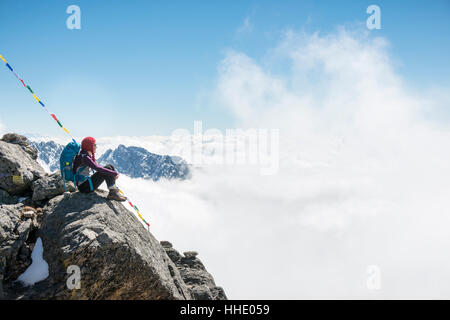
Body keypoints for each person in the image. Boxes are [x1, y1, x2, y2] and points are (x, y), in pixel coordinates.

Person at [72, 136, 127, 201]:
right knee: (107, 169)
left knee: (110, 166)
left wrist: (111, 173)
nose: (96, 147)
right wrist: (114, 173)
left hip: (84, 185)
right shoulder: (85, 157)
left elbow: (97, 167)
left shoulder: (83, 155)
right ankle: (113, 193)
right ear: (89, 146)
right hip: (84, 187)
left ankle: (113, 191)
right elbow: (98, 168)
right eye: (94, 145)